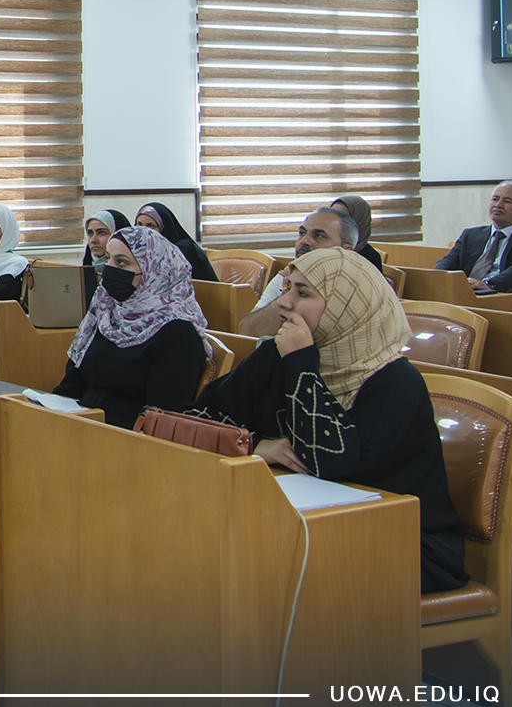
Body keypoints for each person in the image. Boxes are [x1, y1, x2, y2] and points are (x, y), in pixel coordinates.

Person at [192, 248, 469, 593]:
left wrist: (301, 364)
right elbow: (198, 416)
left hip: (399, 541)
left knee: (254, 573)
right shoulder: (278, 354)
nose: (284, 303)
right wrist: (253, 445)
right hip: (298, 525)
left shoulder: (396, 384)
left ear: (345, 306)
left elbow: (329, 464)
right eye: (287, 288)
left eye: (303, 293)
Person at [51, 225, 211, 429]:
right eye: (108, 259)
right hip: (80, 423)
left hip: (123, 435)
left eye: (121, 262)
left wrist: (89, 423)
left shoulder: (179, 334)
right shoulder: (107, 311)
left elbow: (159, 419)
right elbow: (72, 385)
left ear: (155, 270)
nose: (109, 268)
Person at [233, 207, 361, 337]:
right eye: (302, 233)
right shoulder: (287, 277)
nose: (304, 241)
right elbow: (248, 333)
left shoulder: (358, 288)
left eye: (320, 236)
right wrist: (289, 291)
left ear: (346, 251)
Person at [433, 182, 512, 298]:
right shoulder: (470, 235)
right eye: (495, 199)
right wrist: (434, 278)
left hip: (509, 299)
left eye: (507, 201)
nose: (498, 205)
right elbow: (446, 263)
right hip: (468, 296)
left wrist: (490, 285)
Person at [134, 201, 219, 283]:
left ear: (164, 227)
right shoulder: (144, 248)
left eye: (151, 226)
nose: (143, 230)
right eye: (140, 224)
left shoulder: (182, 249)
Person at [81, 208, 132, 304]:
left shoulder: (133, 273)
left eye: (102, 232)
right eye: (90, 233)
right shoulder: (85, 271)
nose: (93, 240)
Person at [330, 195, 383, 272]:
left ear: (358, 221)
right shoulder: (324, 246)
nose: (334, 222)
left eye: (342, 217)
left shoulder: (370, 258)